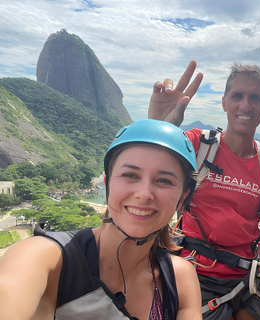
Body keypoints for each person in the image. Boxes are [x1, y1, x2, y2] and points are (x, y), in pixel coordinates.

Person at [0, 119, 202, 320]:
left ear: (182, 199)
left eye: (164, 181)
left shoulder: (179, 278)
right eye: (130, 175)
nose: (144, 194)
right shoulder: (47, 258)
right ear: (107, 185)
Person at [149, 61, 260, 320]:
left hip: (245, 278)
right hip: (194, 271)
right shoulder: (196, 145)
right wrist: (158, 127)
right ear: (224, 102)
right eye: (237, 96)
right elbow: (149, 169)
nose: (245, 105)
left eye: (255, 98)